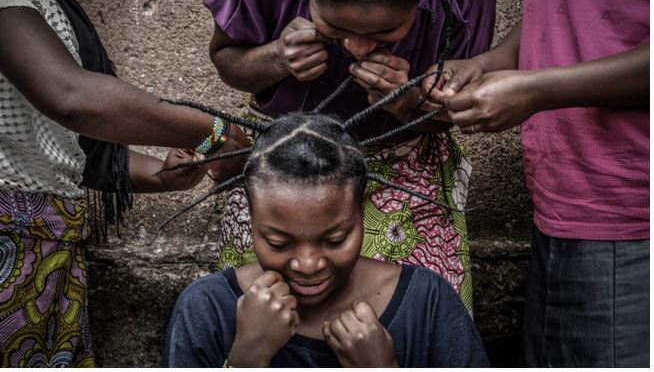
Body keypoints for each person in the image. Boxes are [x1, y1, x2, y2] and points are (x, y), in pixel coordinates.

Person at [203, 0, 496, 312]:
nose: (357, 47)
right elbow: (226, 59)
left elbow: (451, 114)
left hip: (404, 168)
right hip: (280, 168)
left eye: (387, 31)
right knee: (269, 319)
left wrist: (411, 103)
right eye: (335, 26)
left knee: (405, 318)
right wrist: (275, 58)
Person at [0, 0, 249, 367]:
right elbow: (70, 97)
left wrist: (159, 175)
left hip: (43, 247)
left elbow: (45, 144)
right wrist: (214, 130)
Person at [422, 0, 649, 367]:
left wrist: (536, 89)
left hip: (632, 197)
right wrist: (487, 64)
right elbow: (573, 5)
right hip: (564, 194)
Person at [164, 112, 489, 367]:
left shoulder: (428, 302)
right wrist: (246, 360)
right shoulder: (206, 309)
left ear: (363, 214)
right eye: (279, 243)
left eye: (334, 239)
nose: (308, 264)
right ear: (251, 219)